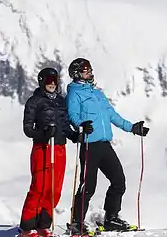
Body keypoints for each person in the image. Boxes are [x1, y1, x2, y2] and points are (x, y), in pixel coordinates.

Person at [66, 58, 149, 234]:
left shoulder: (97, 93)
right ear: (76, 74)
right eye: (85, 70)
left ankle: (111, 219)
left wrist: (132, 128)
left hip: (104, 144)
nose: (89, 73)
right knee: (88, 186)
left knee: (118, 180)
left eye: (89, 69)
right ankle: (76, 223)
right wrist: (82, 125)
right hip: (89, 145)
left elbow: (112, 114)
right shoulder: (74, 93)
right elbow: (72, 115)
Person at [19, 67, 80, 237]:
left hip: (59, 148)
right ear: (41, 82)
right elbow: (27, 129)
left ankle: (43, 226)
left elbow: (65, 125)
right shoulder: (34, 101)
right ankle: (27, 228)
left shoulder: (61, 101)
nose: (52, 84)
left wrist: (75, 136)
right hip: (43, 148)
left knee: (54, 189)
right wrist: (43, 134)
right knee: (39, 187)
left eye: (55, 81)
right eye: (48, 81)